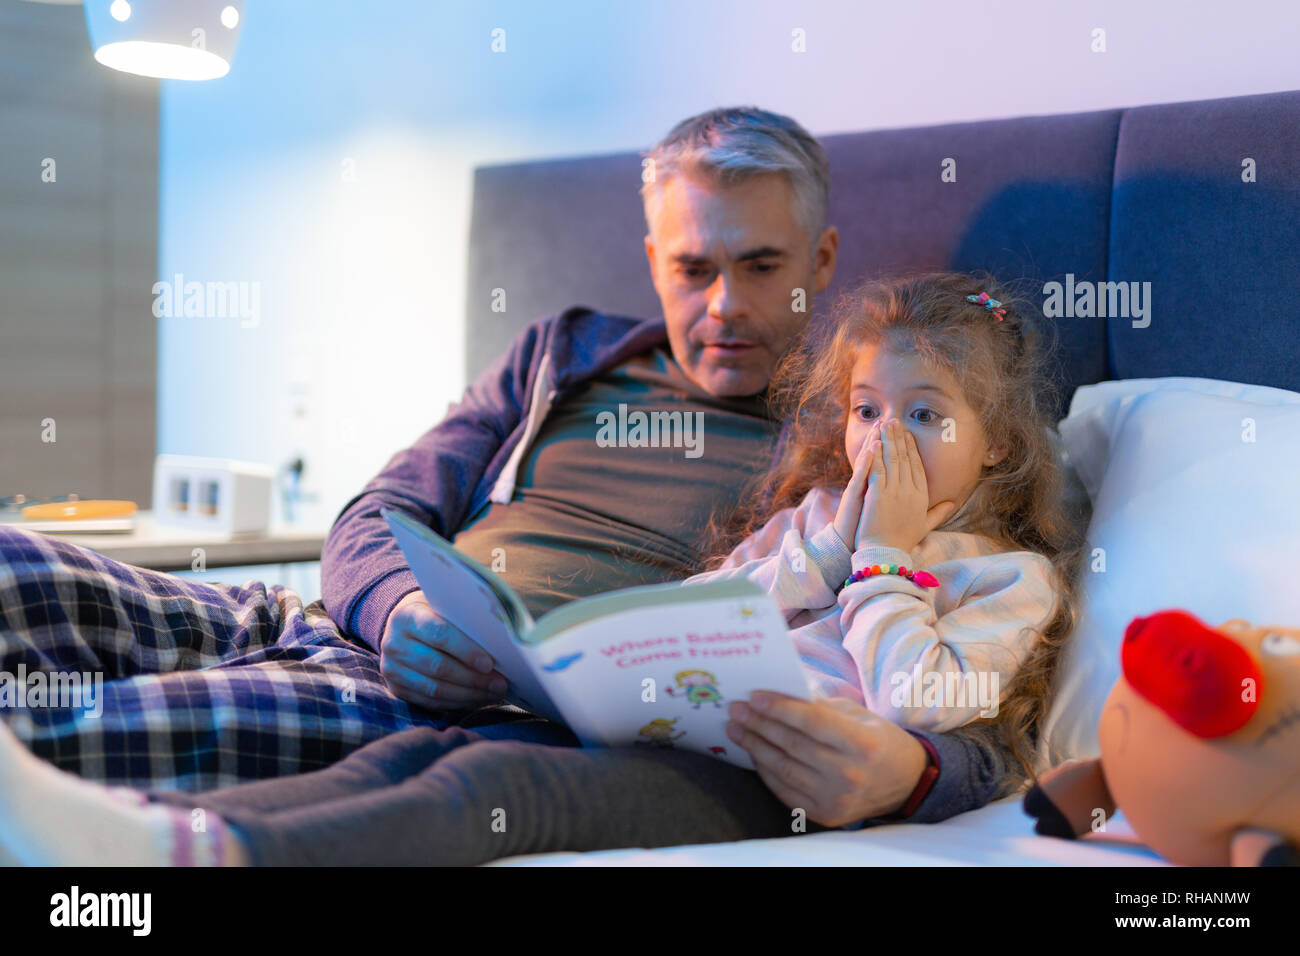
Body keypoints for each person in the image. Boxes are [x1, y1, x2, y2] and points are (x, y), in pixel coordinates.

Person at [0, 272, 1083, 866]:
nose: (882, 444)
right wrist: (831, 544)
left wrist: (885, 558)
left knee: (490, 782)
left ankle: (171, 853)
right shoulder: (575, 356)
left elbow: (924, 703)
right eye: (864, 414)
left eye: (925, 416)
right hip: (561, 688)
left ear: (997, 439)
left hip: (761, 783)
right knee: (419, 753)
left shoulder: (1002, 579)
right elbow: (727, 609)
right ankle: (155, 837)